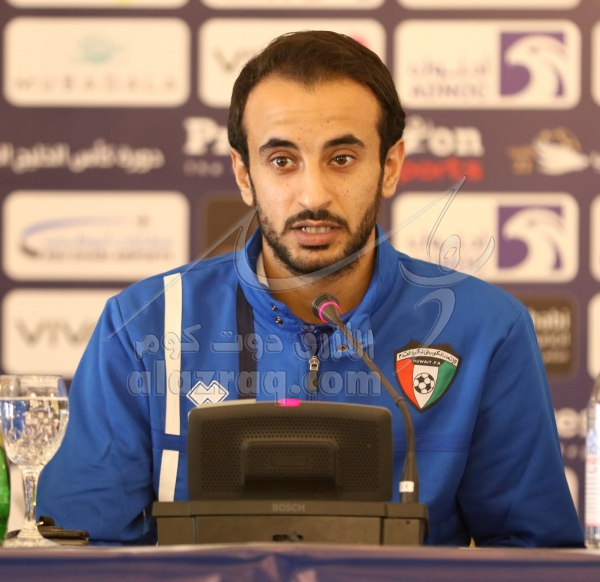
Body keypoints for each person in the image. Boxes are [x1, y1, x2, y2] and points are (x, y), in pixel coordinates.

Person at [37, 31, 584, 547]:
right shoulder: (144, 324)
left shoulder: (484, 330)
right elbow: (82, 553)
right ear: (244, 174)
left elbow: (533, 556)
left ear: (390, 167)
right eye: (282, 161)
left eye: (342, 159)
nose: (313, 195)